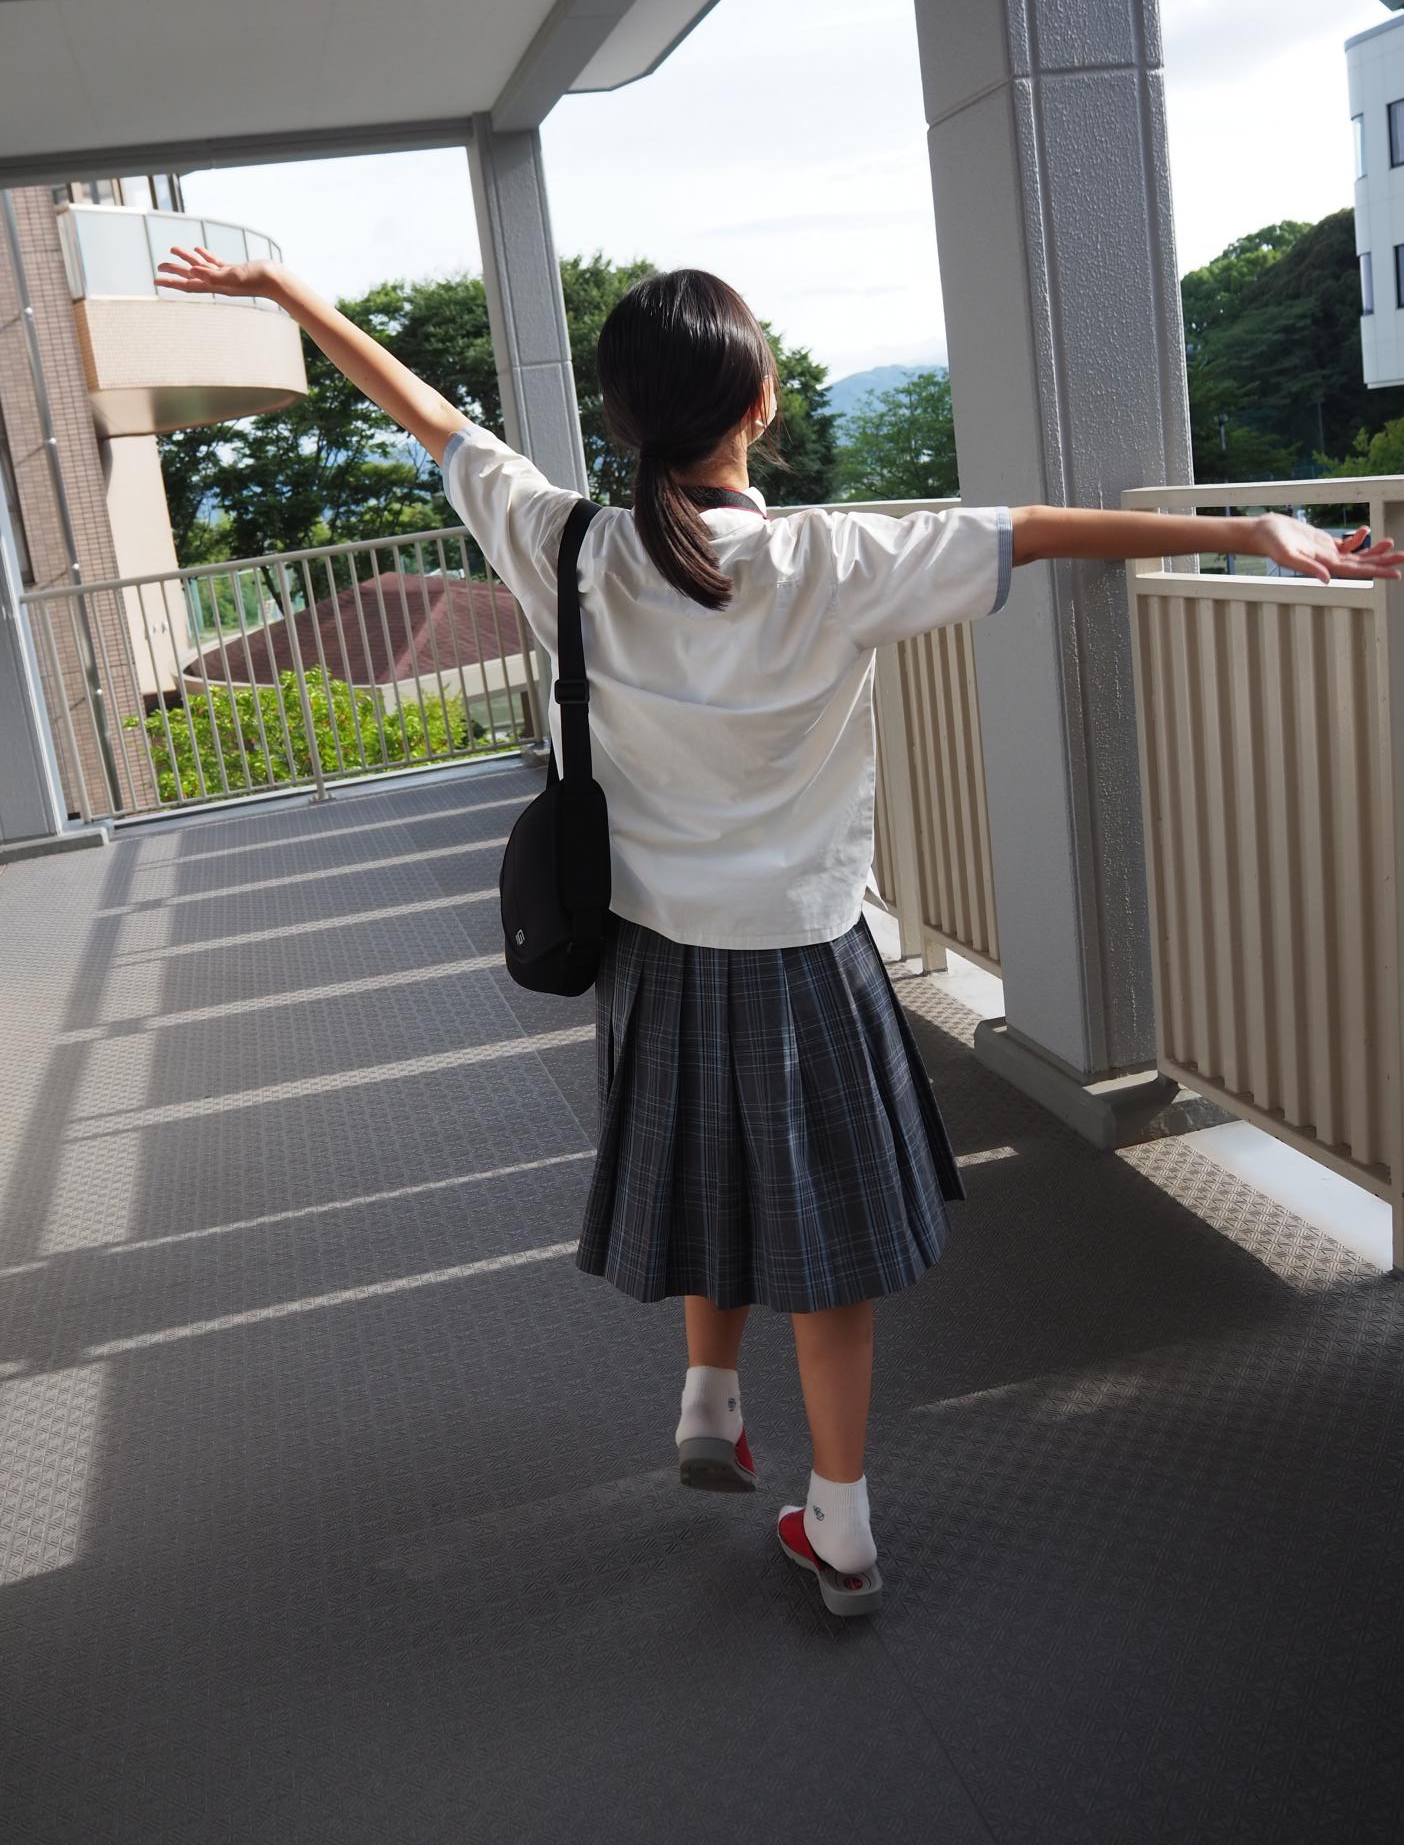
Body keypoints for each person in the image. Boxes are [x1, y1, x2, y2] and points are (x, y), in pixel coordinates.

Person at [156, 247, 1402, 1618]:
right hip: (803, 954)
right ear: (760, 404)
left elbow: (433, 418)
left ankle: (705, 1398)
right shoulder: (830, 560)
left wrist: (286, 296)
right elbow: (1036, 529)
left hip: (650, 950)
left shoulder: (563, 542)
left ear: (627, 417)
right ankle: (845, 1525)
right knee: (824, 1248)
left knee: (702, 1168)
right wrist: (1253, 534)